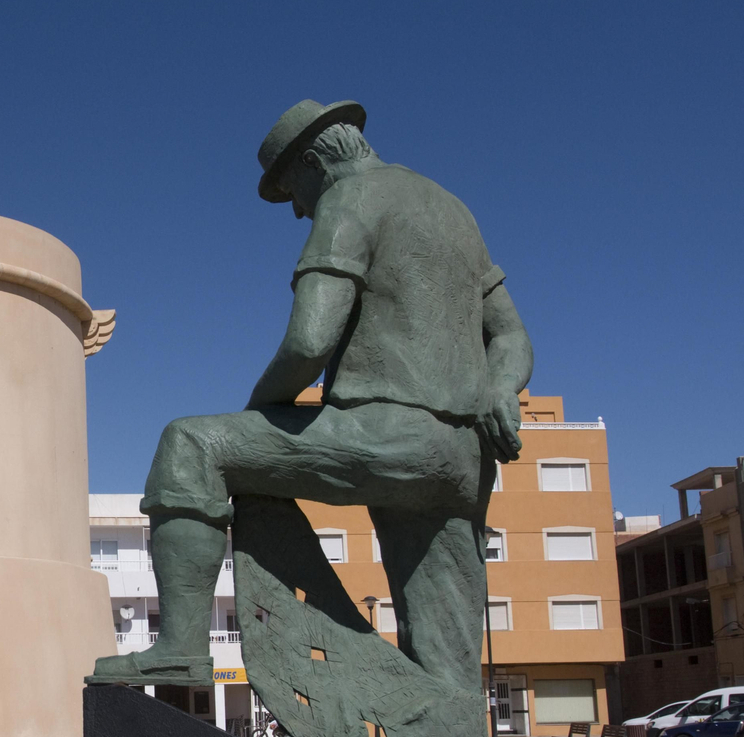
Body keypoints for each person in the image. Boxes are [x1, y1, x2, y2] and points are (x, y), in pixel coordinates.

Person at [89, 99, 533, 691]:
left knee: (191, 444)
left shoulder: (348, 200)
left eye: (291, 191)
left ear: (313, 163)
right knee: (448, 673)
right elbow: (511, 336)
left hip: (387, 438)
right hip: (462, 461)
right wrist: (501, 387)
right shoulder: (454, 212)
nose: (298, 209)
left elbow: (309, 342)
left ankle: (181, 650)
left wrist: (259, 413)